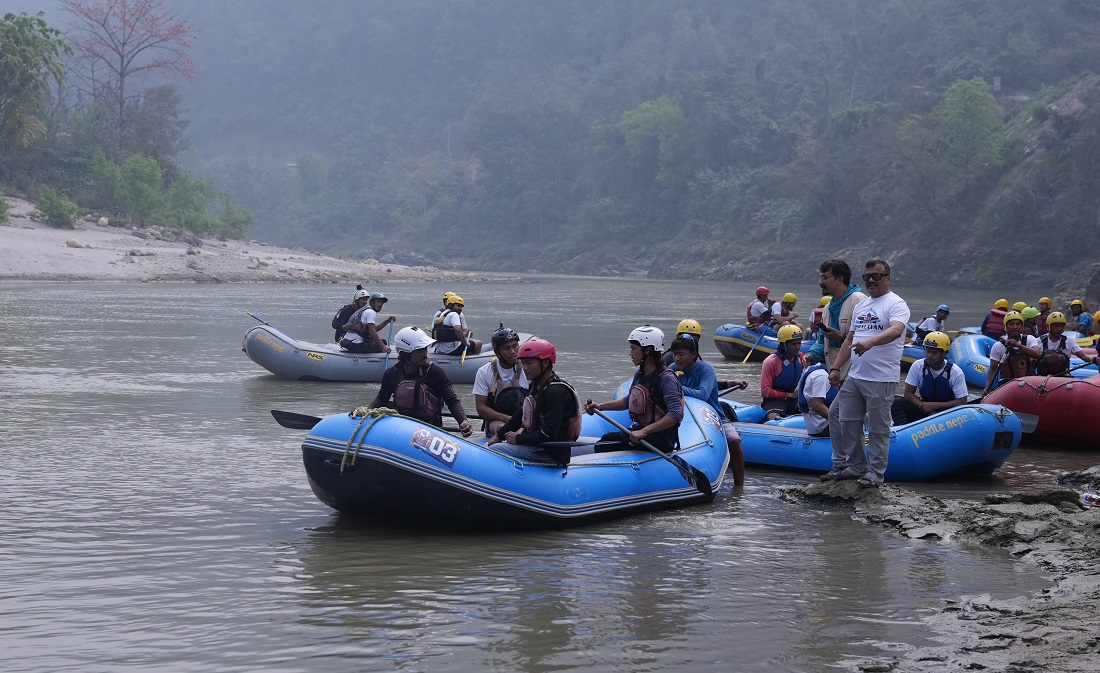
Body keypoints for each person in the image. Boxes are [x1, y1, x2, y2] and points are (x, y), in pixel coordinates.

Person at [821, 259, 910, 489]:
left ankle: (876, 473)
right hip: (855, 376)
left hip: (881, 377)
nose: (871, 280)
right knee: (841, 416)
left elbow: (896, 330)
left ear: (887, 278)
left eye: (876, 276)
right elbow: (850, 339)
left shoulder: (896, 303)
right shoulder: (862, 306)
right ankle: (855, 466)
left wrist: (870, 342)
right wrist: (836, 367)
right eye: (867, 276)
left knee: (879, 428)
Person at [586, 326, 682, 455]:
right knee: (606, 440)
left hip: (661, 438)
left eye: (633, 348)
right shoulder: (640, 374)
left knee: (606, 442)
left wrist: (645, 431)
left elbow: (675, 414)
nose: (630, 353)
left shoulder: (666, 378)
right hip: (643, 431)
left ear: (647, 350)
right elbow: (629, 401)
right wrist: (600, 407)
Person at [362, 326, 472, 436]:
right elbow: (381, 398)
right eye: (419, 351)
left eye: (425, 349)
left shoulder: (436, 372)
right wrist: (367, 410)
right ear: (405, 354)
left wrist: (463, 420)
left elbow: (452, 401)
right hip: (401, 429)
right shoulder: (391, 374)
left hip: (431, 430)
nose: (425, 354)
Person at [667, 332, 746, 486]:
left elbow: (703, 395)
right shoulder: (672, 368)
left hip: (712, 416)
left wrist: (676, 387)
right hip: (683, 417)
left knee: (734, 441)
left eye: (681, 354)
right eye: (675, 354)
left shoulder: (705, 369)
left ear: (694, 354)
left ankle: (739, 487)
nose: (677, 359)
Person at [490, 337, 582, 466]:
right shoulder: (536, 385)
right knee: (495, 444)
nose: (524, 368)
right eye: (523, 363)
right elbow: (521, 414)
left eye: (529, 363)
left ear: (545, 363)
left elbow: (548, 434)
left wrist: (517, 438)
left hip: (550, 454)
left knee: (494, 450)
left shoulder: (556, 392)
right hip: (537, 446)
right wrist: (499, 435)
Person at [890, 331, 967, 425]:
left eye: (934, 353)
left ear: (944, 353)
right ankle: (903, 430)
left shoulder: (955, 372)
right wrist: (925, 407)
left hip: (947, 415)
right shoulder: (918, 366)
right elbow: (908, 394)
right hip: (925, 409)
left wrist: (934, 406)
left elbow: (962, 401)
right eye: (927, 351)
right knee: (897, 402)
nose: (929, 355)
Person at [473, 326, 530, 437]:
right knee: (501, 428)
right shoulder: (484, 372)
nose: (512, 352)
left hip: (524, 420)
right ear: (497, 352)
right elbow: (480, 407)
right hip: (497, 421)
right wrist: (505, 418)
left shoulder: (527, 369)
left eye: (515, 346)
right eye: (506, 348)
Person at [981, 311, 1041, 396]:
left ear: (1022, 326)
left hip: (1028, 384)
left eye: (1018, 324)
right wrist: (987, 387)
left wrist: (1019, 345)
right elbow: (992, 370)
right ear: (1006, 327)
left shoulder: (1029, 339)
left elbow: (1037, 354)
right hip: (1007, 385)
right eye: (1011, 324)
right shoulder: (998, 346)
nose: (1015, 327)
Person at [760, 325, 805, 421]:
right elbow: (765, 391)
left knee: (810, 405)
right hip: (773, 401)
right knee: (773, 417)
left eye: (799, 343)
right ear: (783, 344)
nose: (797, 347)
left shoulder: (801, 358)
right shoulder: (771, 362)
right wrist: (789, 395)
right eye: (793, 344)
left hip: (792, 399)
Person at [1034, 312, 1100, 376]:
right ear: (1049, 326)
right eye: (1056, 326)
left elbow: (1083, 356)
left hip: (1063, 377)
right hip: (1043, 378)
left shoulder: (1069, 341)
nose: (1059, 329)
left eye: (1062, 326)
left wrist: (1093, 359)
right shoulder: (1039, 341)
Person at [797, 352, 836, 438]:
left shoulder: (813, 370)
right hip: (822, 426)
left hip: (818, 424)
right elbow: (816, 405)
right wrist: (841, 421)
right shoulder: (821, 375)